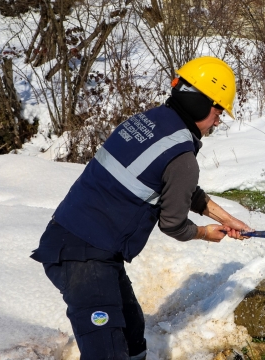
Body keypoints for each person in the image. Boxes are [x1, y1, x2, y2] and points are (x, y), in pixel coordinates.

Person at [30, 57, 252, 360]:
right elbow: (173, 224)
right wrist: (203, 233)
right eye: (217, 111)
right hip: (84, 258)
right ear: (200, 102)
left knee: (133, 338)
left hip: (74, 242)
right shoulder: (183, 157)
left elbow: (176, 186)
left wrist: (227, 218)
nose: (217, 121)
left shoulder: (148, 121)